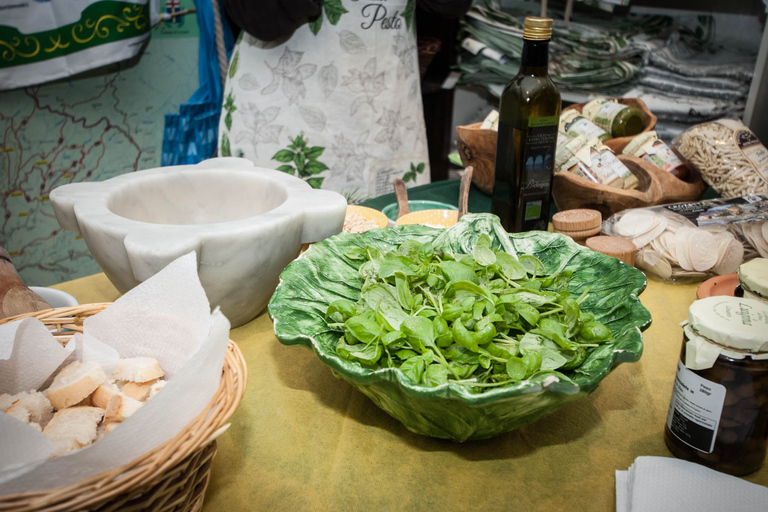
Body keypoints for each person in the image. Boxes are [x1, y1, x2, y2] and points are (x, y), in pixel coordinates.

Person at [218, 0, 470, 203]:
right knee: (278, 242)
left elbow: (450, 6)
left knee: (390, 246)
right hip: (285, 105)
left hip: (387, 109)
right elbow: (257, 15)